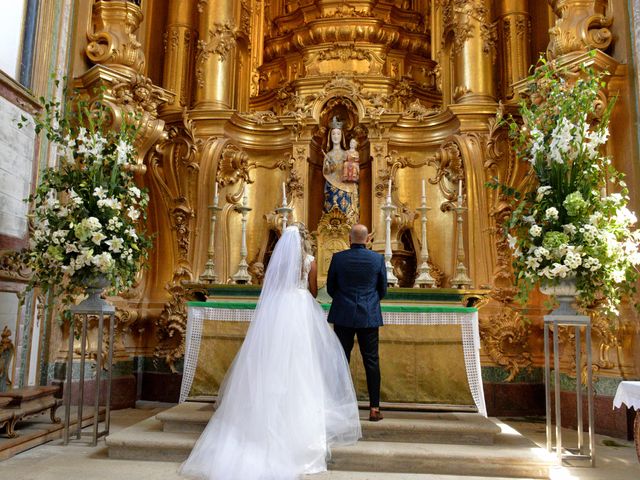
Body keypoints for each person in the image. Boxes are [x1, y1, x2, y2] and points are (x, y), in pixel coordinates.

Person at [180, 225, 361, 480]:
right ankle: (300, 423)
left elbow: (271, 287)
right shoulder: (309, 261)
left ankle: (266, 417)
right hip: (300, 309)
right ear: (303, 243)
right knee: (303, 364)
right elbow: (311, 290)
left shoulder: (276, 263)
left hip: (279, 309)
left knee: (273, 362)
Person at [326, 224, 387, 422]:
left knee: (341, 360)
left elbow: (330, 288)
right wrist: (368, 301)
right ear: (367, 239)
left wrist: (344, 299)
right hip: (368, 314)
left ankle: (339, 407)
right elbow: (383, 289)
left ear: (349, 238)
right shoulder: (377, 259)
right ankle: (374, 409)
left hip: (343, 313)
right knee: (372, 361)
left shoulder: (338, 258)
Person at [322, 118, 359, 222]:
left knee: (345, 210)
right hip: (331, 186)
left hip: (346, 186)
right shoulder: (328, 154)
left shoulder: (346, 153)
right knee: (331, 209)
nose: (335, 136)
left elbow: (353, 168)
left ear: (341, 136)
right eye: (333, 134)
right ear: (330, 136)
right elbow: (326, 172)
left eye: (338, 134)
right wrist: (328, 166)